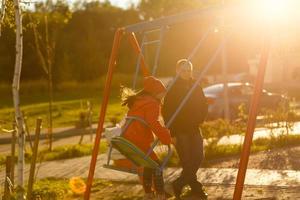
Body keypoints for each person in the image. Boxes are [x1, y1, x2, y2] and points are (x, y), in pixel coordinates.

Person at [162, 59, 208, 200]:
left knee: (199, 157)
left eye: (189, 70)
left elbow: (204, 104)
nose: (187, 73)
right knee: (187, 161)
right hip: (180, 131)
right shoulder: (172, 89)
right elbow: (166, 112)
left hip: (194, 128)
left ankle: (178, 184)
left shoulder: (196, 86)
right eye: (183, 70)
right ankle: (196, 189)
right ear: (177, 71)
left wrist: (200, 118)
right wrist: (172, 133)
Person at [121, 76, 172, 200]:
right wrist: (167, 138)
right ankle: (161, 195)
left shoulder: (138, 101)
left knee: (149, 164)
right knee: (156, 165)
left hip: (129, 138)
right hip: (139, 139)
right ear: (155, 92)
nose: (163, 96)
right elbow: (153, 123)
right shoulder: (152, 103)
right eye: (162, 93)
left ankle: (148, 194)